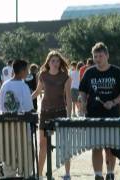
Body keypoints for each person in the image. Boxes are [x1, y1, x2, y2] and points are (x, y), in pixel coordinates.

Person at [79, 42, 120, 180]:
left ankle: (110, 173)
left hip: (112, 115)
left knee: (111, 147)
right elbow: (82, 90)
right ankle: (98, 175)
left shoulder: (116, 72)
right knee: (97, 146)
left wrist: (113, 102)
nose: (97, 59)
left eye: (100, 55)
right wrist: (83, 101)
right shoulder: (89, 72)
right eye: (95, 56)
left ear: (107, 56)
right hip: (93, 115)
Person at [32, 51, 72, 180]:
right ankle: (39, 174)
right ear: (48, 62)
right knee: (42, 145)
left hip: (60, 112)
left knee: (65, 143)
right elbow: (38, 92)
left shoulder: (65, 76)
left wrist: (69, 117)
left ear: (60, 63)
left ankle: (67, 174)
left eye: (57, 61)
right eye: (53, 61)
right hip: (45, 113)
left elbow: (69, 98)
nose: (55, 63)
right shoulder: (42, 75)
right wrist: (26, 99)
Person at [0, 59, 34, 177]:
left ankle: (9, 175)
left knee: (9, 151)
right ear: (22, 71)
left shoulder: (5, 84)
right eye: (27, 70)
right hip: (22, 125)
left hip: (7, 125)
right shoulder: (24, 86)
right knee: (25, 152)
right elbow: (28, 109)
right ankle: (25, 173)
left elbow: (0, 107)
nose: (28, 72)